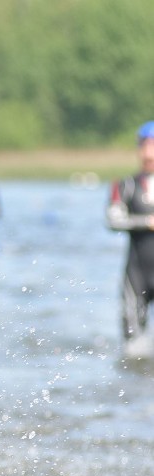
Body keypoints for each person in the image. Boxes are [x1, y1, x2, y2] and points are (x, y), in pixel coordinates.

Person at [106, 120, 154, 351]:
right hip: (137, 275)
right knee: (133, 348)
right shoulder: (125, 185)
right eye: (146, 146)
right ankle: (133, 385)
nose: (149, 152)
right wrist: (147, 222)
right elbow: (113, 220)